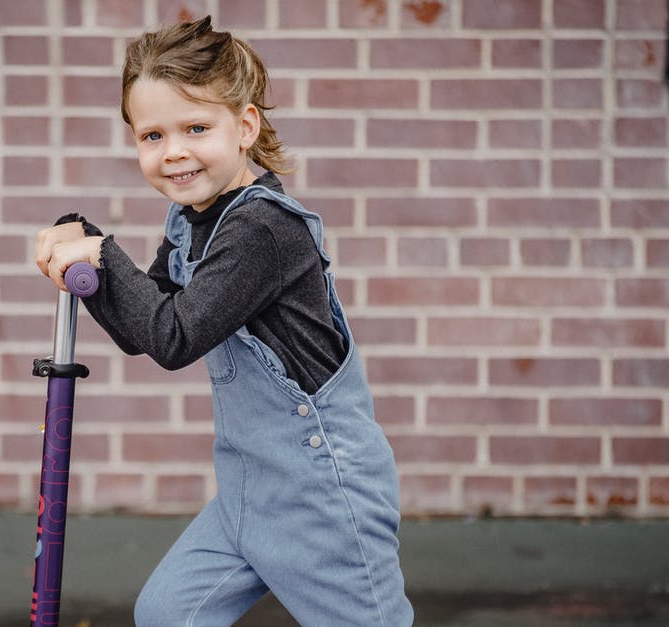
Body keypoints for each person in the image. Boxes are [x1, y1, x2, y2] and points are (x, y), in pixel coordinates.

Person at [34, 16, 414, 626]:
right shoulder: (190, 222)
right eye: (152, 135)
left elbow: (173, 336)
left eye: (196, 127)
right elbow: (143, 324)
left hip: (320, 494)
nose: (174, 151)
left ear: (245, 126)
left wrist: (102, 255)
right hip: (247, 487)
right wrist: (88, 249)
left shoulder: (263, 229)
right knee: (168, 615)